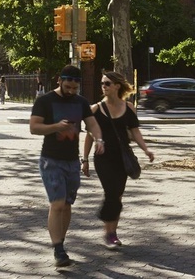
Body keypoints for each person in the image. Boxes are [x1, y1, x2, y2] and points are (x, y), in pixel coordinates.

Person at [30, 64, 105, 270]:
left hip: (72, 161)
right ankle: (58, 250)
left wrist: (99, 139)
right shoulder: (45, 101)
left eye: (75, 88)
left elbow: (92, 124)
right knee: (58, 204)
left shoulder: (81, 102)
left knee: (68, 204)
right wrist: (55, 126)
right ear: (59, 81)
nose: (71, 91)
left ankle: (60, 244)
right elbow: (34, 127)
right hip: (51, 160)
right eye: (68, 87)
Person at [82, 70, 154, 248]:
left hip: (121, 157)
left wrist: (146, 150)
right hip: (103, 158)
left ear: (117, 86)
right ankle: (109, 233)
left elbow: (135, 131)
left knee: (118, 195)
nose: (103, 87)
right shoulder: (95, 109)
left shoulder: (129, 107)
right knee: (111, 192)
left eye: (107, 83)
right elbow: (89, 136)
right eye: (102, 84)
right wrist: (84, 159)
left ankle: (112, 231)